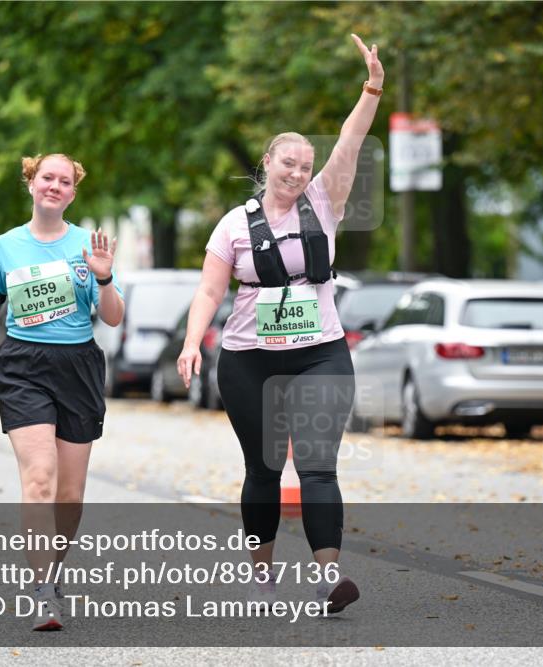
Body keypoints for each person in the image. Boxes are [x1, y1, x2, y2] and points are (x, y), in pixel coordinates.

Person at [178, 34, 383, 614]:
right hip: (249, 359)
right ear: (267, 163)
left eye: (304, 165)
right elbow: (209, 290)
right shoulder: (232, 225)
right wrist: (191, 343)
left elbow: (351, 140)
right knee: (264, 470)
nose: (296, 173)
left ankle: (327, 578)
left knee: (317, 465)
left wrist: (372, 88)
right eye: (287, 163)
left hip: (320, 352)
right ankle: (262, 578)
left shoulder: (325, 201)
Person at [0, 153, 124, 631]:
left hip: (78, 366)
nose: (54, 186)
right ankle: (43, 591)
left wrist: (104, 277)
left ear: (72, 193)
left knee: (69, 496)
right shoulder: (1, 249)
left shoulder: (88, 244)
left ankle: (53, 571)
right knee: (40, 479)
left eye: (64, 181)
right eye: (47, 177)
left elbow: (113, 317)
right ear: (31, 183)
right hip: (23, 366)